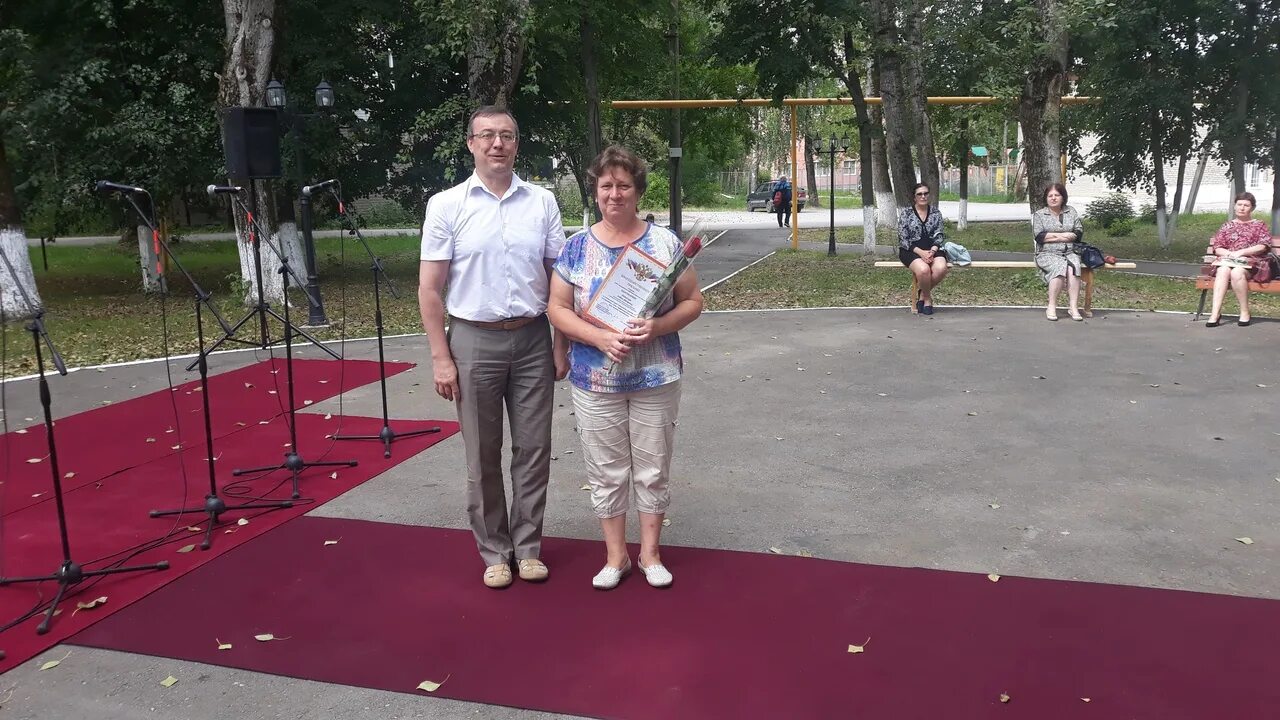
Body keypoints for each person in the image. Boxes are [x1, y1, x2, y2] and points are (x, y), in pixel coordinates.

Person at [418, 106, 569, 589]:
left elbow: (559, 280)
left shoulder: (542, 202)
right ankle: (495, 552)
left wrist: (559, 342)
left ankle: (528, 548)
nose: (497, 143)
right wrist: (442, 356)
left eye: (506, 135)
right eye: (487, 136)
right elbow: (429, 289)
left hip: (531, 338)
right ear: (471, 144)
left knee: (534, 448)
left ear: (517, 144)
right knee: (481, 453)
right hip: (472, 341)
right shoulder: (447, 205)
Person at [546, 146, 704, 590]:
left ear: (637, 191)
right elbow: (557, 308)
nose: (615, 194)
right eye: (606, 186)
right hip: (595, 378)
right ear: (595, 191)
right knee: (605, 469)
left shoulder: (664, 244)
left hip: (655, 374)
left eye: (624, 185)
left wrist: (656, 327)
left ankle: (650, 553)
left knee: (653, 467)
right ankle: (616, 556)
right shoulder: (576, 248)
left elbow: (694, 301)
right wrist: (598, 337)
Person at [1203, 192, 1272, 327]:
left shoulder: (1259, 225)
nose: (1242, 208)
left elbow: (1263, 245)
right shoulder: (1227, 226)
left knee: (1237, 272)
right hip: (1229, 260)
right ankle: (1215, 313)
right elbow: (1218, 247)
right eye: (1239, 204)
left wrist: (1241, 252)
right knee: (1223, 270)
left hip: (1252, 263)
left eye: (1246, 205)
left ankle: (1244, 312)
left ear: (1252, 208)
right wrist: (1229, 254)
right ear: (1234, 206)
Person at [1032, 183, 1085, 321]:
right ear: (1046, 198)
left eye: (1057, 195)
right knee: (1059, 268)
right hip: (1047, 253)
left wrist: (1053, 236)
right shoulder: (1039, 215)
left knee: (1074, 268)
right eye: (1050, 196)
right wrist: (1064, 236)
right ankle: (1051, 305)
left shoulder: (1071, 211)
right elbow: (1040, 237)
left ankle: (1073, 307)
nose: (1053, 198)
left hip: (1070, 252)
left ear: (1063, 197)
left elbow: (1078, 232)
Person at [897, 182, 948, 315]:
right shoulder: (906, 214)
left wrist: (932, 251)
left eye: (925, 193)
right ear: (914, 197)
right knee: (924, 270)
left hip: (933, 249)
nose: (923, 196)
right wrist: (921, 253)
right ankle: (928, 299)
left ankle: (922, 295)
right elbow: (903, 239)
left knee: (941, 268)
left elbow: (940, 235)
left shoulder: (936, 213)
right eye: (919, 194)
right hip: (911, 250)